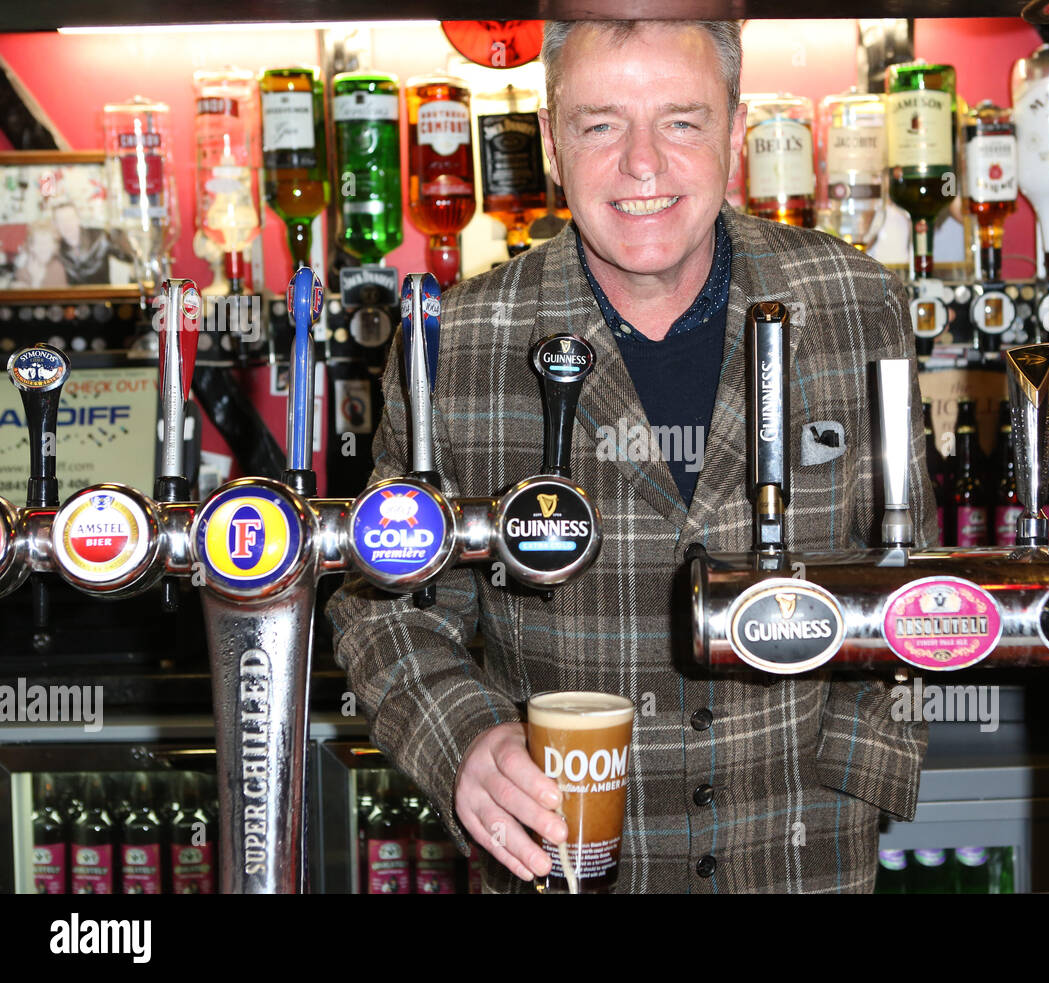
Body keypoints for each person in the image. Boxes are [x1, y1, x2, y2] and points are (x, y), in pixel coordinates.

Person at [327, 19, 937, 893]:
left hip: (804, 856)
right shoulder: (456, 338)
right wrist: (466, 738)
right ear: (550, 141)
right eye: (601, 123)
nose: (643, 164)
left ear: (734, 130)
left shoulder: (856, 301)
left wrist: (858, 770)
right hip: (558, 858)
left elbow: (911, 575)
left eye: (682, 122)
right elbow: (382, 604)